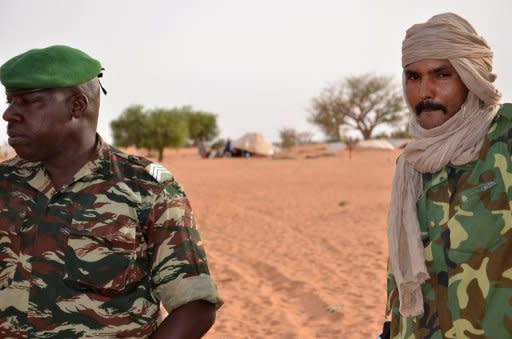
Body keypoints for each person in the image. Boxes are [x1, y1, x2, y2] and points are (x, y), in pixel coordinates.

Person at [0, 45, 222, 338]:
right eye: (10, 101)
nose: (8, 115)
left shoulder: (148, 187)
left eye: (29, 101)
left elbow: (194, 305)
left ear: (76, 106)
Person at [384, 13, 511, 338]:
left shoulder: (505, 143)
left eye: (442, 74)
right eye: (413, 77)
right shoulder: (411, 164)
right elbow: (401, 271)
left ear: (471, 77)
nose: (424, 91)